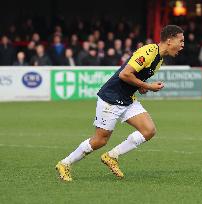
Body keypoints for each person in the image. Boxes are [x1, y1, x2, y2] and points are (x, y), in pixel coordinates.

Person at [56, 25, 184, 181]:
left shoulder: (159, 60)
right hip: (111, 97)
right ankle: (65, 163)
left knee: (149, 130)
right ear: (169, 41)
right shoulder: (149, 52)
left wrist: (141, 86)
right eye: (181, 41)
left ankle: (112, 156)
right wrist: (148, 86)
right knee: (100, 140)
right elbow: (125, 74)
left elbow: (136, 77)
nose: (182, 45)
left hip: (127, 99)